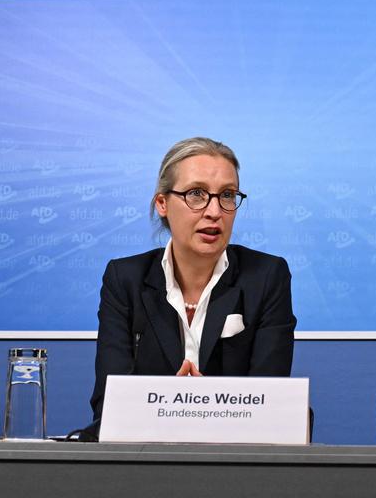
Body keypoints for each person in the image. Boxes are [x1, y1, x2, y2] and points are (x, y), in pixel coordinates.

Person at [88, 137, 297, 430]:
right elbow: (109, 404)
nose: (214, 211)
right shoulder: (125, 280)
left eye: (227, 195)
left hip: (236, 451)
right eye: (196, 194)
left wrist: (203, 406)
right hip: (147, 451)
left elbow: (271, 403)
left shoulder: (266, 276)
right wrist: (177, 408)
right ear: (162, 203)